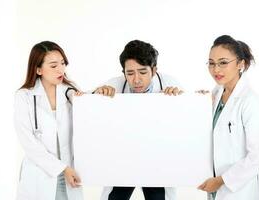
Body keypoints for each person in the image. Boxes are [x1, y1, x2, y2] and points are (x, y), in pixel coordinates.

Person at [93, 40, 181, 200]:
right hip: (124, 156)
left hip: (156, 158)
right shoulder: (115, 85)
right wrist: (98, 95)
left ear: (154, 70)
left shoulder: (170, 84)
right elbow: (87, 106)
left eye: (142, 72)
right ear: (124, 72)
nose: (136, 80)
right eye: (130, 73)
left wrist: (178, 99)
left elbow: (187, 117)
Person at [198, 35, 259, 200]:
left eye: (223, 62)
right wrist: (196, 104)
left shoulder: (251, 102)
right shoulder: (215, 94)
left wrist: (221, 181)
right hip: (215, 188)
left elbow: (258, 158)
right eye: (211, 63)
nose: (216, 69)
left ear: (240, 64)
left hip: (239, 190)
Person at [14, 41, 83, 200]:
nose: (61, 69)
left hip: (70, 174)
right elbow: (28, 143)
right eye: (53, 66)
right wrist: (62, 168)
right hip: (41, 174)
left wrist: (90, 98)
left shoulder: (70, 89)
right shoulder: (24, 96)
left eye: (63, 63)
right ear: (38, 69)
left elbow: (88, 118)